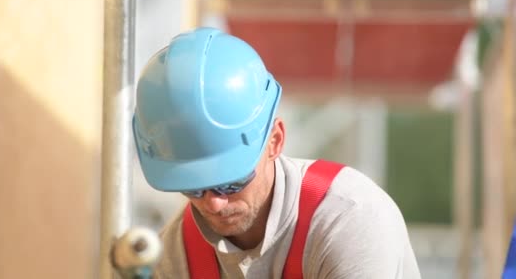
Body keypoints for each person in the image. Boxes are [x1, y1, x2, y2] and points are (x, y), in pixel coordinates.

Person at [132, 27, 421, 278]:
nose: (214, 205)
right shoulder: (176, 256)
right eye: (193, 189)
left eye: (230, 182)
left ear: (275, 141)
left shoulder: (349, 222)